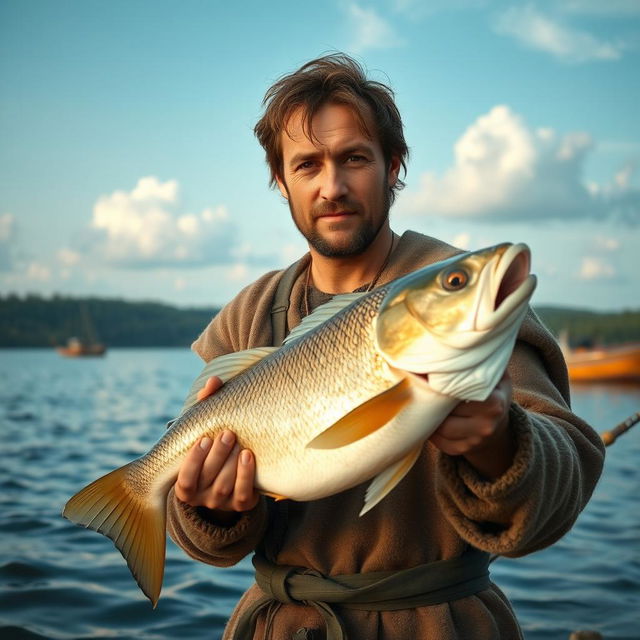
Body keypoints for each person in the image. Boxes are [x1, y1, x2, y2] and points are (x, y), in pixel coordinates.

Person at [167, 54, 605, 640]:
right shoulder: (247, 315)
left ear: (392, 165)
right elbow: (202, 539)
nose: (332, 186)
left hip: (443, 624)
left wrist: (501, 443)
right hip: (280, 625)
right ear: (281, 181)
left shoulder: (464, 296)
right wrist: (211, 510)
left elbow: (565, 482)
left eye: (354, 158)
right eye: (307, 165)